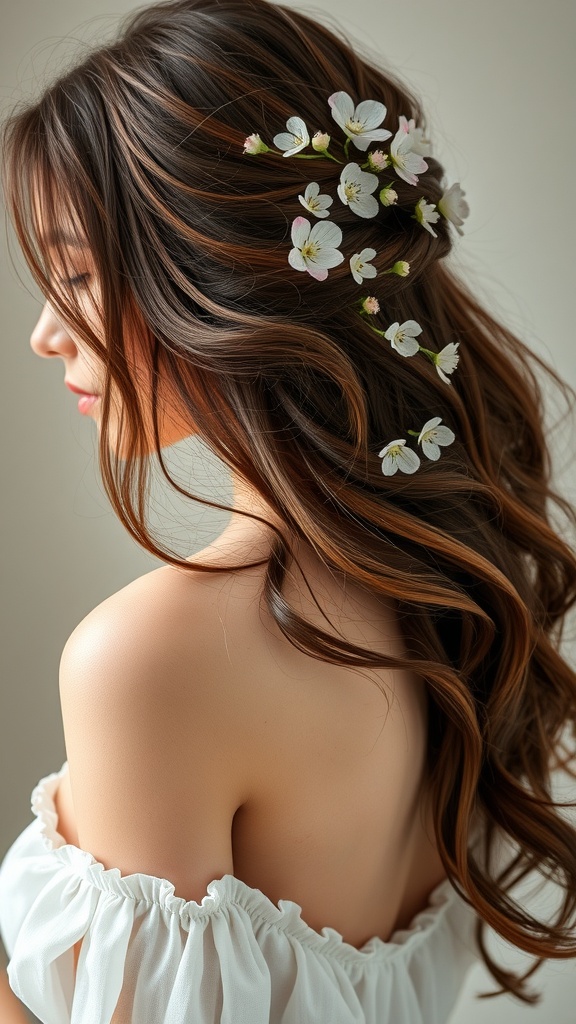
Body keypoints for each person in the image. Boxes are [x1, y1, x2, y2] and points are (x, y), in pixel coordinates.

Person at [1, 0, 576, 1021]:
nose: (46, 332)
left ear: (226, 270)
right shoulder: (439, 590)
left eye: (79, 274)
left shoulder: (151, 660)